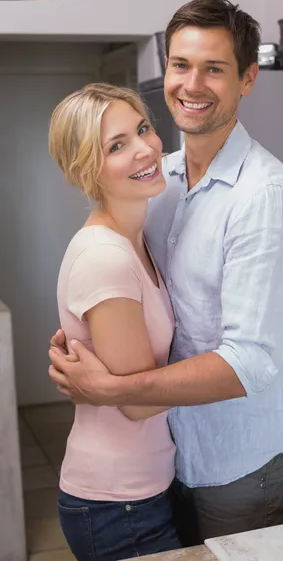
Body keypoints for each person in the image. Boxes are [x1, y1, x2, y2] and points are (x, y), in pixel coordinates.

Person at [49, 0, 283, 545]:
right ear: (165, 69)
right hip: (170, 459)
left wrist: (113, 389)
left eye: (214, 68)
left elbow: (252, 361)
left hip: (238, 465)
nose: (192, 84)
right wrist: (88, 340)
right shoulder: (160, 181)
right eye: (180, 65)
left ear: (247, 79)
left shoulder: (263, 196)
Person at [48, 83, 182, 560]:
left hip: (139, 490)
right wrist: (233, 359)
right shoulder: (106, 256)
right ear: (87, 168)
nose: (145, 148)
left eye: (142, 128)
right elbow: (138, 402)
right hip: (117, 504)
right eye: (117, 145)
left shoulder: (135, 238)